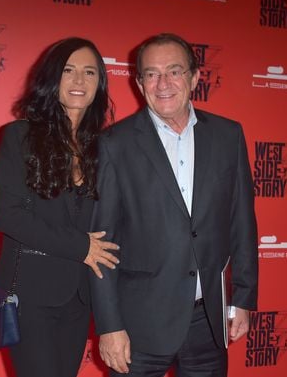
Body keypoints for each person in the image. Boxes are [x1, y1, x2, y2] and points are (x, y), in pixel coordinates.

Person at [90, 33, 258, 377]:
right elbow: (101, 245)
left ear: (195, 77)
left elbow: (242, 222)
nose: (163, 83)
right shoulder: (114, 145)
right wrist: (109, 326)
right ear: (139, 83)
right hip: (138, 326)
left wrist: (242, 298)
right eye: (151, 74)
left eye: (174, 71)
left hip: (208, 323)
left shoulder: (228, 136)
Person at [0, 37, 120, 377]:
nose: (79, 81)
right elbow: (8, 214)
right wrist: (81, 246)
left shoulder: (105, 148)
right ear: (52, 78)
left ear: (99, 84)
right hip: (29, 294)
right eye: (69, 70)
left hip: (79, 296)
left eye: (90, 72)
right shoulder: (19, 136)